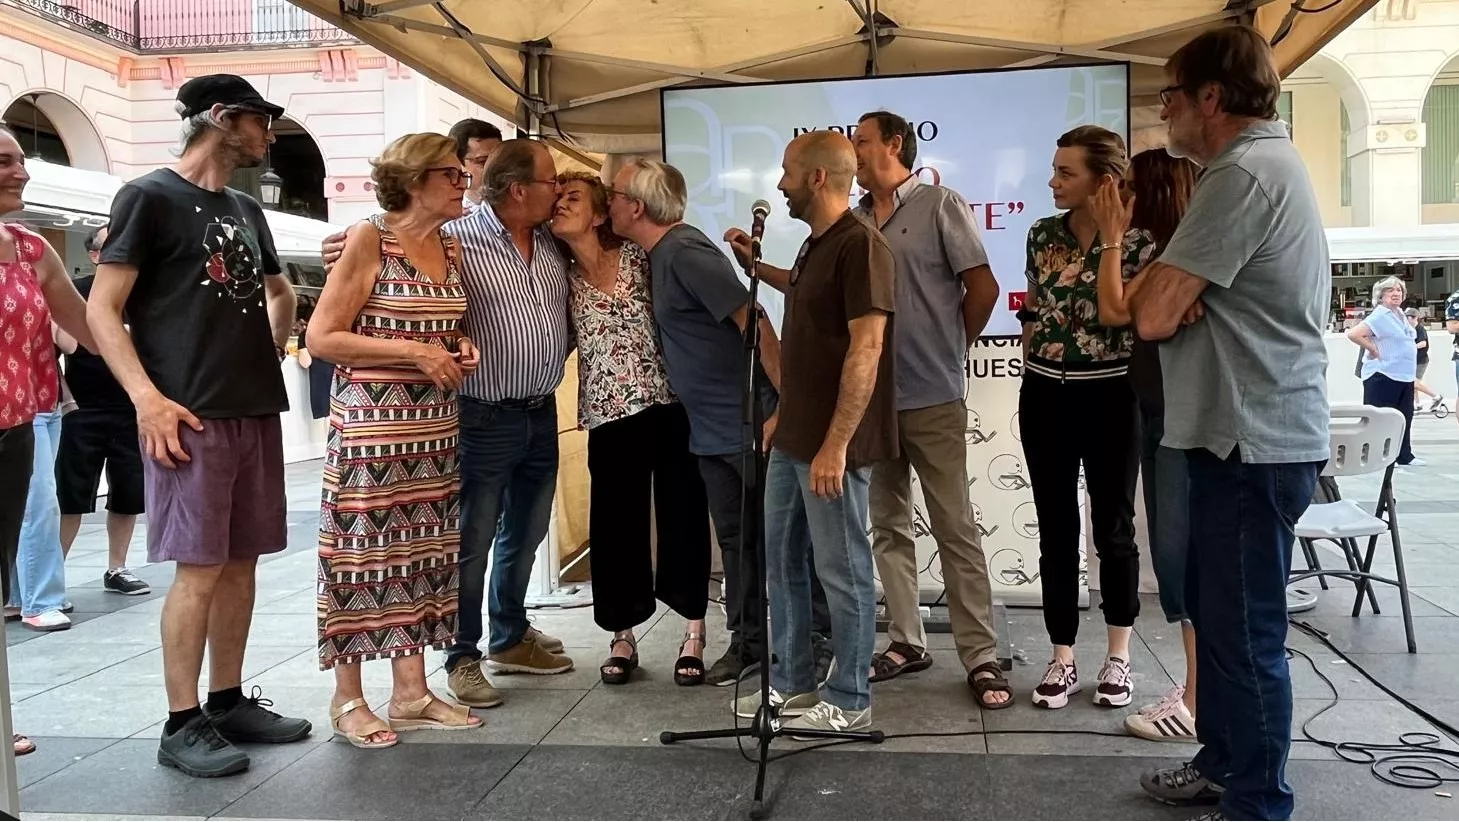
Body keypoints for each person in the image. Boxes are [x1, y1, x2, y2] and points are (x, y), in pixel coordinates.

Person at [1129, 26, 1331, 821]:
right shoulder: (1252, 168)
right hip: (1237, 431)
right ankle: (1224, 765)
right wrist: (1177, 295)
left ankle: (1256, 802)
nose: (1165, 109)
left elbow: (1149, 314)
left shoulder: (1242, 173)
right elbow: (1167, 305)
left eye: (1171, 94)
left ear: (1211, 98)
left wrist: (1172, 295)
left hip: (1250, 438)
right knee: (1219, 622)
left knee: (1243, 633)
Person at [88, 74, 312, 778]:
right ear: (221, 119)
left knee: (240, 561)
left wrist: (269, 350)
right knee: (200, 568)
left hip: (250, 408)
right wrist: (147, 400)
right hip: (189, 414)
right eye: (260, 120)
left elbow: (282, 291)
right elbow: (102, 309)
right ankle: (180, 721)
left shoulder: (246, 206)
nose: (269, 133)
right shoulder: (148, 197)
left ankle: (226, 701)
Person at [323, 138, 577, 710]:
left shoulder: (551, 242)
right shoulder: (456, 235)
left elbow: (442, 316)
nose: (558, 190)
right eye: (551, 180)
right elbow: (370, 270)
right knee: (469, 540)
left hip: (538, 410)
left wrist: (454, 344)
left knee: (527, 534)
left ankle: (509, 636)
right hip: (472, 416)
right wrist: (337, 245)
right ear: (520, 189)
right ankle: (461, 655)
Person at [608, 158, 835, 689]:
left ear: (637, 206)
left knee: (783, 539)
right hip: (711, 428)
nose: (608, 203)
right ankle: (750, 643)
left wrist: (783, 407)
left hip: (749, 420)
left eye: (613, 194)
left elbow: (753, 319)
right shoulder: (660, 253)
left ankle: (819, 643)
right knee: (736, 541)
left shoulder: (684, 252)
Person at [311, 133, 486, 748]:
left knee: (422, 557)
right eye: (452, 174)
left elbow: (443, 328)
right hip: (372, 432)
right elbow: (324, 338)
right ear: (414, 180)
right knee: (363, 558)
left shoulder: (453, 247)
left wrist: (455, 350)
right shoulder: (369, 239)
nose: (463, 183)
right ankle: (347, 698)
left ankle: (411, 692)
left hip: (433, 429)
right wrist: (414, 351)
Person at [726, 130, 897, 733]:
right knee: (780, 561)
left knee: (842, 571)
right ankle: (794, 682)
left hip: (830, 447)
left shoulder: (862, 246)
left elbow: (867, 347)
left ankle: (850, 697)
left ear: (817, 178)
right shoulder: (814, 245)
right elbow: (804, 295)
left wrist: (836, 444)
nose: (779, 184)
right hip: (793, 437)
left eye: (787, 173)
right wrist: (756, 266)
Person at [845, 109, 1008, 707]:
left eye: (861, 142)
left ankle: (981, 656)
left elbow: (983, 287)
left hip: (933, 395)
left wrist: (950, 347)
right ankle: (906, 642)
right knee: (888, 525)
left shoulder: (940, 204)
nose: (854, 152)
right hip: (873, 401)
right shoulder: (855, 218)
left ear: (894, 144)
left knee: (954, 526)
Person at [550, 171, 712, 686]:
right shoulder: (558, 274)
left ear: (600, 213)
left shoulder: (643, 258)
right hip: (607, 412)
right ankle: (622, 634)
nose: (559, 204)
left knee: (684, 514)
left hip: (670, 404)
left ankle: (694, 630)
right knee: (615, 526)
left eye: (570, 198)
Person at [1018, 125, 1155, 710]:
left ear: (1104, 181)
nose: (1052, 181)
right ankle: (1062, 655)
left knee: (1114, 528)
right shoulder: (1041, 233)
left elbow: (1121, 317)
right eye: (1054, 169)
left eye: (1065, 172)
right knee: (1054, 527)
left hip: (1113, 394)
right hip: (1046, 393)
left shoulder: (1143, 241)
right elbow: (1032, 303)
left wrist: (1110, 240)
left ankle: (1119, 655)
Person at [1085, 147, 1201, 740]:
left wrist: (1109, 238)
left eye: (1127, 188)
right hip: (1160, 415)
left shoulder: (1171, 255)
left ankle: (1198, 701)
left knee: (1185, 563)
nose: (1117, 197)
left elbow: (1114, 310)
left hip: (1182, 424)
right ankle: (1195, 692)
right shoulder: (1164, 254)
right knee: (1175, 559)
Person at [0, 124, 99, 755]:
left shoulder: (32, 249)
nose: (22, 171)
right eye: (5, 161)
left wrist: (159, 376)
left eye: (20, 159)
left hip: (12, 432)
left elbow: (87, 327)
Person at [54, 224, 150, 595]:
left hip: (132, 408)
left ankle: (117, 568)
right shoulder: (77, 292)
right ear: (94, 255)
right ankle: (53, 574)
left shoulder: (142, 295)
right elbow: (54, 346)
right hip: (84, 409)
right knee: (71, 493)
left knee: (128, 490)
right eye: (111, 246)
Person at [1348, 277, 1423, 467]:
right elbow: (1354, 334)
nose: (1396, 293)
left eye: (1399, 290)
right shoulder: (1380, 316)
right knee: (1380, 418)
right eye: (1391, 291)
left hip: (1403, 375)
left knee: (1405, 416)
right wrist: (1372, 349)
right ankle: (1376, 455)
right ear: (1381, 296)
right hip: (1383, 374)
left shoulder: (1400, 315)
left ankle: (1403, 455)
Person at [449, 119, 504, 214]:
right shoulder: (448, 217)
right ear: (457, 163)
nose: (496, 167)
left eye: (500, 159)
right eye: (483, 161)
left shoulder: (522, 204)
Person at [1406, 308, 1442, 412]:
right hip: (1412, 360)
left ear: (1415, 318)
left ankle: (1436, 396)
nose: (1408, 320)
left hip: (1421, 360)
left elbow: (1423, 343)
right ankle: (1417, 404)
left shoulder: (1420, 329)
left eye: (1410, 317)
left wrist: (1411, 346)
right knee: (1412, 384)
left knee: (1413, 383)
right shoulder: (1408, 329)